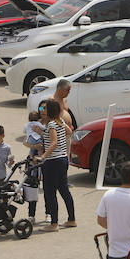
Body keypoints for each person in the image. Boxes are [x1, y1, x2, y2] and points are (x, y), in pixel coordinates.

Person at [37, 98, 75, 231]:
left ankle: (54, 223)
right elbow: (69, 132)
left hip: (53, 161)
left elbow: (53, 143)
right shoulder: (60, 122)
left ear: (50, 111)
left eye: (45, 108)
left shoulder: (52, 125)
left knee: (50, 192)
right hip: (62, 159)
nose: (42, 111)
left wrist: (43, 156)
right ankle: (71, 219)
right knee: (64, 190)